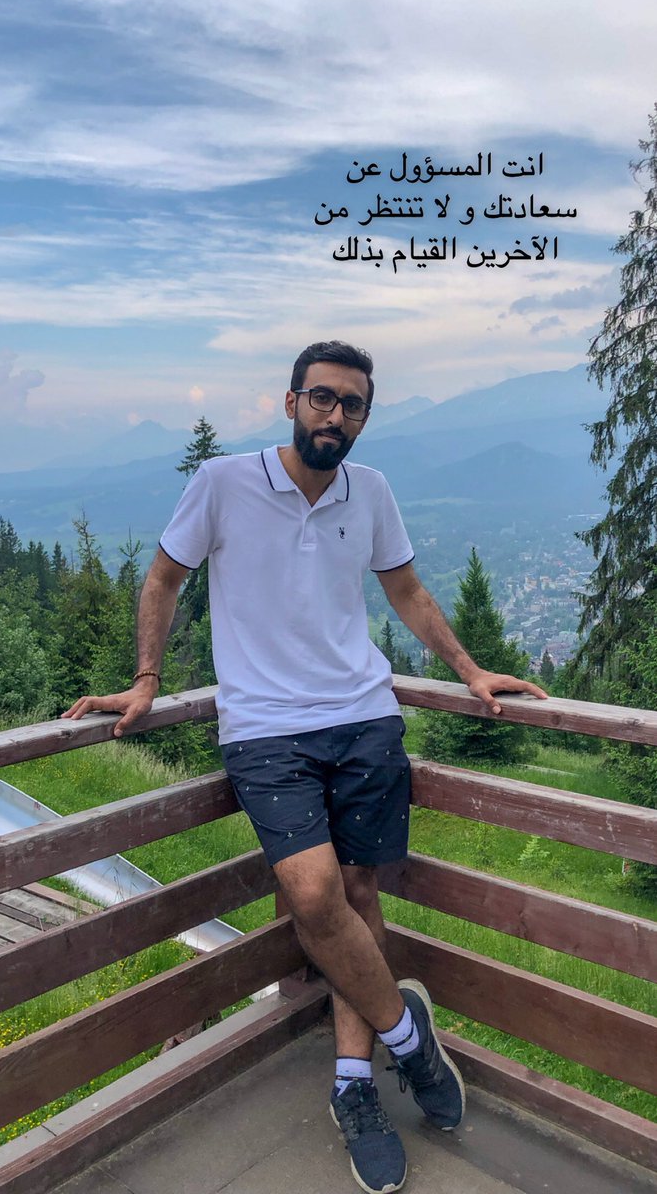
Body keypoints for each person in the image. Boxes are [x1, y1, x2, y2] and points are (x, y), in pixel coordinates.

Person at [63, 340, 547, 1194]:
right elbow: (164, 578)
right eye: (322, 398)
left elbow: (405, 590)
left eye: (351, 404)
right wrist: (145, 681)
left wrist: (469, 670)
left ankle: (353, 1085)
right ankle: (409, 1040)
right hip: (264, 730)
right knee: (315, 896)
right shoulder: (223, 482)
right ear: (290, 402)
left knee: (358, 897)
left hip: (363, 717)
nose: (335, 415)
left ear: (363, 416)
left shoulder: (372, 491)